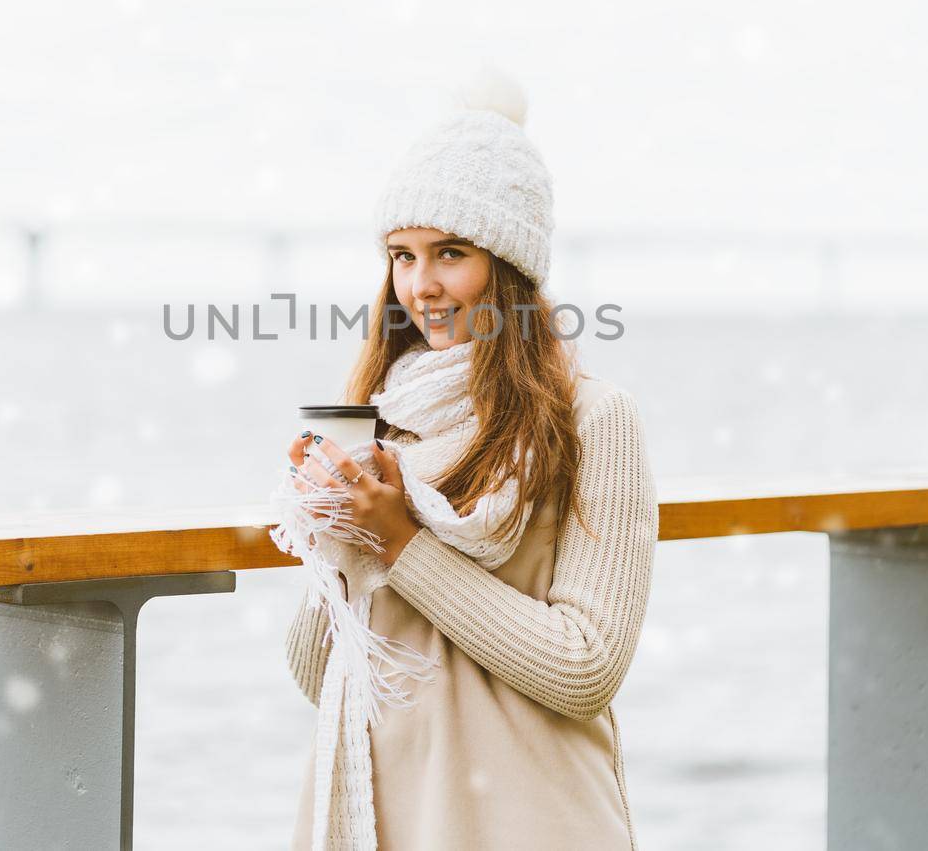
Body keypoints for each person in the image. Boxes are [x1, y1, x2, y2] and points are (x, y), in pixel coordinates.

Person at [277, 73, 659, 850]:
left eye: (450, 252)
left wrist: (402, 543)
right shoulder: (387, 421)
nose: (422, 286)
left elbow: (585, 667)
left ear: (508, 264)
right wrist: (334, 535)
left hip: (533, 820)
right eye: (403, 256)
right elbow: (322, 675)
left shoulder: (595, 420)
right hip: (395, 814)